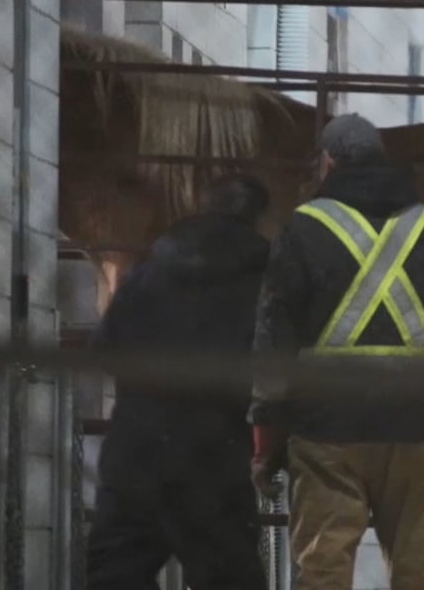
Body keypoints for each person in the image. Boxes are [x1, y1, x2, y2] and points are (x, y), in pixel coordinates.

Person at [247, 113, 424, 590]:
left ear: (327, 163)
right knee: (420, 573)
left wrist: (265, 443)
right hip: (414, 429)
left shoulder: (302, 229)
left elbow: (273, 345)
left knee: (323, 571)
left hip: (327, 432)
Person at [85, 174, 272, 590]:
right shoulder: (260, 281)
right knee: (230, 577)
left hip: (134, 451)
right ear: (255, 219)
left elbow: (106, 347)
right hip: (212, 455)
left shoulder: (150, 269)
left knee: (114, 575)